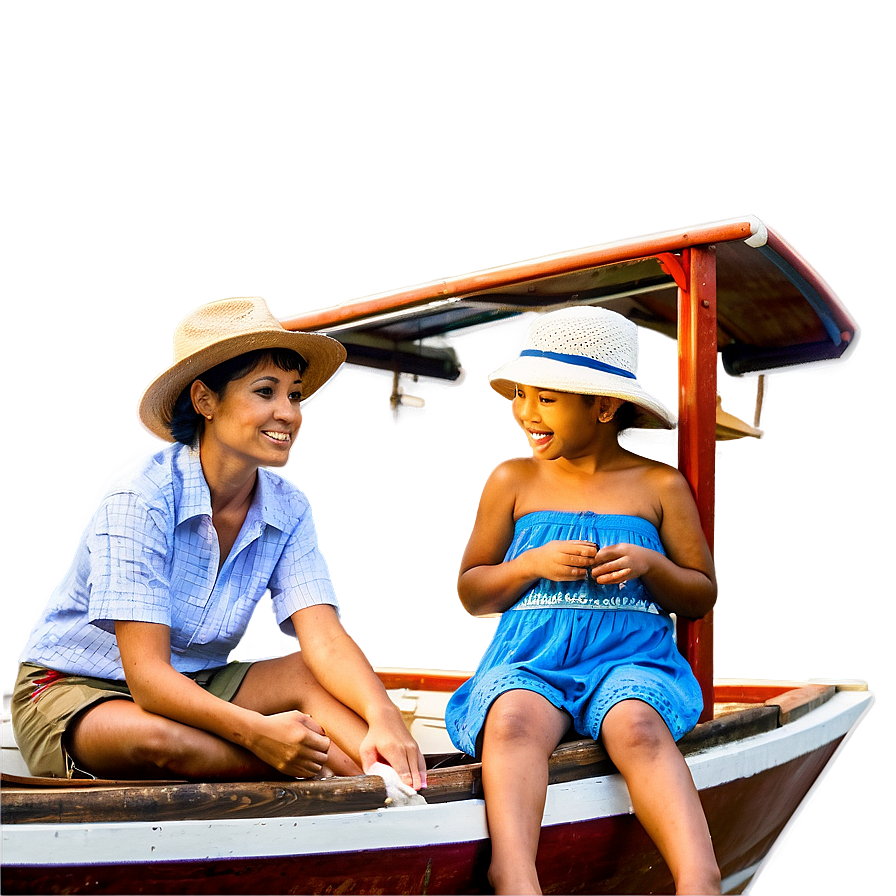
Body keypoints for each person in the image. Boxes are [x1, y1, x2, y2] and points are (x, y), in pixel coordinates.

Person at [12, 296, 426, 791]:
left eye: (294, 395)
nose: (287, 414)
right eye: (265, 392)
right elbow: (147, 679)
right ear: (206, 401)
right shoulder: (140, 496)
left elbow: (326, 641)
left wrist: (384, 717)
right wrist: (259, 735)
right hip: (75, 689)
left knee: (312, 678)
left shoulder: (288, 508)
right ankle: (335, 775)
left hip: (196, 681)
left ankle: (395, 786)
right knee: (160, 742)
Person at [444, 306, 721, 895]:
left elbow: (700, 593)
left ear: (603, 405)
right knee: (512, 720)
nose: (525, 413)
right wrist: (526, 566)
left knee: (639, 728)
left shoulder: (658, 486)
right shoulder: (512, 481)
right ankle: (514, 871)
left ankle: (700, 874)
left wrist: (653, 566)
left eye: (545, 399)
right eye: (520, 395)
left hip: (632, 660)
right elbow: (471, 589)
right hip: (534, 659)